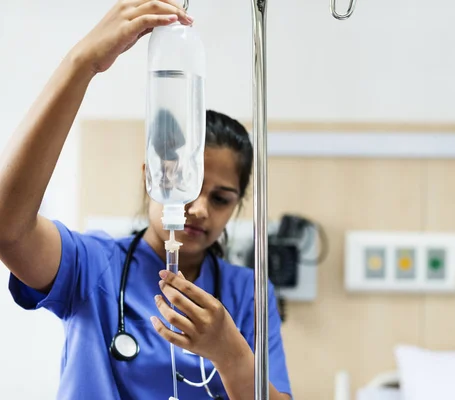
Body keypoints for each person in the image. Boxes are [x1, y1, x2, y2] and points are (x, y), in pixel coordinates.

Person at [0, 1, 292, 399]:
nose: (200, 208)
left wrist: (230, 353)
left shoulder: (248, 294)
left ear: (239, 204)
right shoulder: (92, 266)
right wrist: (81, 63)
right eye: (187, 180)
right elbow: (7, 229)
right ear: (150, 173)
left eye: (221, 198)